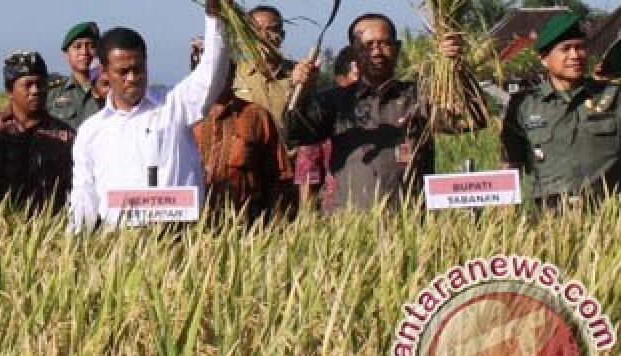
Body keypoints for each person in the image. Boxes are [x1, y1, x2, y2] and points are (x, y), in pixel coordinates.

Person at [68, 0, 228, 232]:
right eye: (123, 72)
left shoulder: (173, 105)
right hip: (119, 243)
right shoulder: (91, 131)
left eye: (138, 69)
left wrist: (216, 19)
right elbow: (85, 194)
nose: (132, 78)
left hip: (179, 239)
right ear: (105, 72)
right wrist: (75, 242)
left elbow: (210, 75)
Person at [285, 13, 472, 210]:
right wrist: (300, 91)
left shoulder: (419, 97)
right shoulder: (335, 101)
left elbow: (467, 120)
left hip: (410, 225)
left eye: (385, 43)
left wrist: (456, 68)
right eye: (368, 45)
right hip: (349, 225)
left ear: (397, 48)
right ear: (354, 52)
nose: (377, 52)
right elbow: (295, 133)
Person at [502, 13, 621, 210]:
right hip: (551, 222)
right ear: (544, 59)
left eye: (580, 47)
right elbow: (510, 167)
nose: (575, 55)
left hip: (608, 216)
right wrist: (504, 220)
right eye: (565, 49)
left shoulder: (613, 96)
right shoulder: (524, 106)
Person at [0, 51, 76, 212]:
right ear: (10, 91)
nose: (35, 90)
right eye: (28, 85)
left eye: (41, 84)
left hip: (51, 226)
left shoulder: (66, 136)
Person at [192, 59, 294, 225]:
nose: (212, 79)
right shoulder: (182, 120)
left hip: (245, 228)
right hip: (191, 231)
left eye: (219, 72)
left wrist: (276, 229)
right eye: (205, 73)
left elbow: (278, 178)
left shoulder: (256, 116)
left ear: (232, 76)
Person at [294, 46, 358, 211]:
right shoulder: (323, 112)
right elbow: (308, 178)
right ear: (340, 79)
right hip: (337, 216)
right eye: (357, 77)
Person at [233, 5, 295, 133]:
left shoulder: (298, 73)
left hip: (285, 150)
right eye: (257, 30)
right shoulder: (234, 74)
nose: (264, 35)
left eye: (271, 29)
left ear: (282, 35)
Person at [46, 21, 104, 128]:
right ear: (66, 54)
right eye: (77, 46)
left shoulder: (110, 90)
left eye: (91, 46)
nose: (84, 52)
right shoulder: (52, 92)